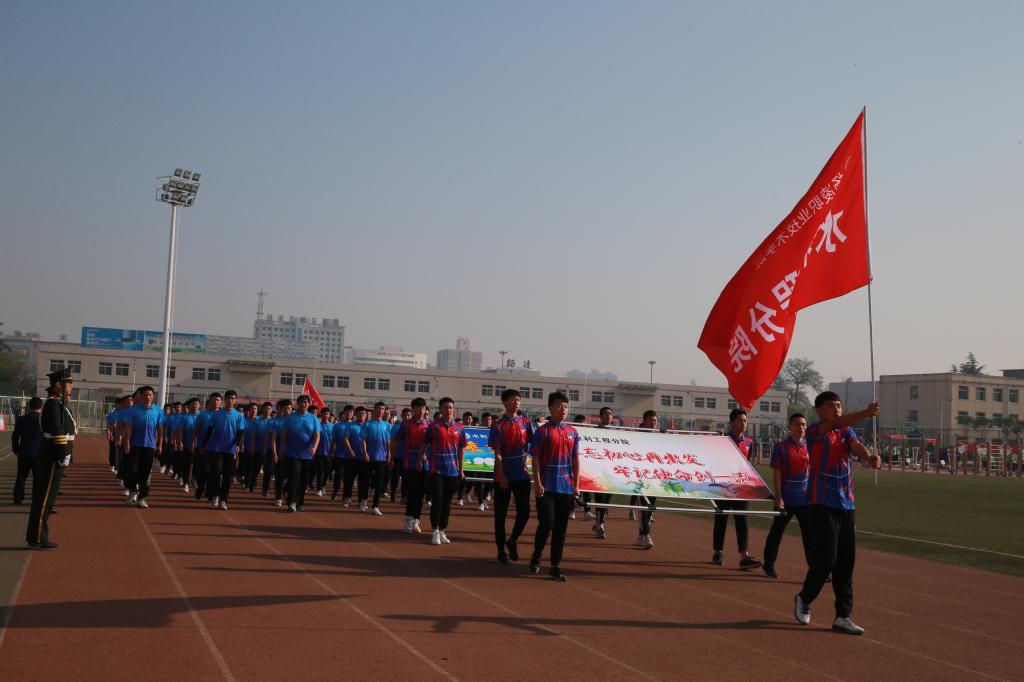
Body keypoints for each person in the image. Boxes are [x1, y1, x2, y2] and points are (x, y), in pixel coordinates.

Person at [794, 393, 881, 636]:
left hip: (847, 504)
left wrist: (870, 458)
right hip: (821, 502)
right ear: (819, 410)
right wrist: (866, 413)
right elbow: (836, 423)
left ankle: (843, 615)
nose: (837, 410)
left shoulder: (846, 432)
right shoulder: (815, 431)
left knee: (846, 561)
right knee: (827, 559)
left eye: (840, 406)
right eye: (831, 406)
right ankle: (804, 598)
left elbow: (856, 446)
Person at [529, 391, 580, 581]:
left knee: (561, 529)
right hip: (547, 487)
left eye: (566, 406)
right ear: (550, 408)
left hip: (565, 488)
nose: (563, 409)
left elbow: (575, 459)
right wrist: (537, 483)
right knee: (546, 524)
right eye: (559, 405)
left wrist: (576, 485)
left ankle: (555, 565)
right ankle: (537, 555)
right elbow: (535, 458)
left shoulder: (573, 432)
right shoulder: (542, 432)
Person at [27, 369, 76, 549]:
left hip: (54, 454)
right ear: (58, 385)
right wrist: (63, 453)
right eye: (68, 384)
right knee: (45, 498)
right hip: (52, 456)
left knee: (47, 497)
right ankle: (38, 537)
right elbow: (57, 430)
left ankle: (36, 536)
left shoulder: (58, 403)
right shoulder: (53, 404)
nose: (71, 387)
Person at [761, 413, 814, 578]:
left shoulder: (811, 446)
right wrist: (778, 496)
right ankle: (768, 564)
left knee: (810, 536)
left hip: (805, 500)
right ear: (790, 426)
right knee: (776, 533)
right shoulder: (781, 447)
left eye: (803, 424)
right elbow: (777, 473)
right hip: (786, 499)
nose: (801, 427)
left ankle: (816, 569)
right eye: (797, 424)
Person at [711, 408, 762, 569]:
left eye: (745, 421)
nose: (743, 423)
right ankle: (718, 552)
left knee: (742, 521)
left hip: (741, 488)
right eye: (740, 420)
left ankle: (744, 556)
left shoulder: (749, 442)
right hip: (724, 487)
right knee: (721, 519)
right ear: (732, 423)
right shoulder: (723, 440)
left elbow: (747, 464)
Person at [490, 389, 533, 564]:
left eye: (518, 400)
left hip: (522, 474)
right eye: (512, 400)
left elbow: (534, 445)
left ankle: (513, 539)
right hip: (504, 475)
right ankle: (501, 549)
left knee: (525, 512)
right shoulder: (498, 425)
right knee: (500, 514)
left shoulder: (526, 422)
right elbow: (498, 453)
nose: (516, 403)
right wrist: (502, 475)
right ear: (505, 402)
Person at [423, 397, 466, 544]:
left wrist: (461, 470)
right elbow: (425, 443)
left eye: (451, 407)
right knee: (438, 499)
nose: (449, 410)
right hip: (436, 469)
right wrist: (421, 459)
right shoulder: (434, 426)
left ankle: (442, 529)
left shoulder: (459, 428)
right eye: (446, 407)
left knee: (447, 502)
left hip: (452, 471)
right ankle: (435, 530)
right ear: (441, 409)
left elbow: (461, 450)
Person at [121, 386, 165, 508]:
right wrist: (127, 442)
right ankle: (133, 490)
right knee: (132, 470)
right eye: (145, 395)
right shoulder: (134, 410)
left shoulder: (158, 411)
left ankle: (142, 498)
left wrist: (160, 444)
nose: (147, 397)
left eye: (150, 395)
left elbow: (160, 429)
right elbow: (129, 427)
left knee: (145, 474)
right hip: (135, 445)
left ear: (153, 396)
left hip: (150, 446)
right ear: (141, 396)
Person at [204, 389, 246, 510]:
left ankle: (223, 499)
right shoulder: (217, 414)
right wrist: (203, 444)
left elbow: (242, 432)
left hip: (230, 449)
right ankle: (215, 495)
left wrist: (239, 444)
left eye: (232, 398)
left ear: (235, 400)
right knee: (216, 472)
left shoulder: (239, 416)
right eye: (228, 398)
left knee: (227, 476)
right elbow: (209, 430)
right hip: (216, 448)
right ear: (224, 400)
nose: (230, 400)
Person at [279, 394, 321, 512]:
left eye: (306, 402)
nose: (304, 404)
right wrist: (281, 449)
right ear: (297, 404)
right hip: (292, 453)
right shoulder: (290, 418)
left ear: (309, 404)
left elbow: (317, 435)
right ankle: (292, 502)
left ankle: (300, 502)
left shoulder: (313, 418)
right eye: (302, 402)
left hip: (307, 454)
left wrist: (314, 448)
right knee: (294, 477)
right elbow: (284, 434)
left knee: (304, 480)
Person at [395, 398, 430, 533]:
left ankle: (416, 519)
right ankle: (408, 519)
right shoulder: (406, 425)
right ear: (413, 409)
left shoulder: (429, 425)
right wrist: (392, 457)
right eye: (418, 407)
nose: (421, 410)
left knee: (421, 493)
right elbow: (396, 440)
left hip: (425, 464)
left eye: (423, 407)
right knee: (412, 492)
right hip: (410, 463)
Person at [634, 409, 663, 549]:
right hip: (640, 479)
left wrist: (665, 436)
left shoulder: (658, 437)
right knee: (644, 507)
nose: (653, 423)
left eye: (655, 421)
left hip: (654, 478)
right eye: (651, 420)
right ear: (644, 421)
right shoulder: (636, 436)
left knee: (650, 508)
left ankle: (641, 536)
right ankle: (646, 535)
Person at [362, 402, 392, 515]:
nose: (380, 410)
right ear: (374, 410)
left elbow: (388, 441)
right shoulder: (367, 424)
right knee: (366, 480)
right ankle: (364, 499)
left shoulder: (387, 425)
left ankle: (375, 506)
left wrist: (389, 454)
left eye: (382, 409)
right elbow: (363, 440)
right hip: (369, 457)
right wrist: (365, 453)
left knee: (379, 482)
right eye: (378, 408)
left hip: (381, 458)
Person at [12, 397, 43, 505]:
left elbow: (15, 436)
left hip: (24, 451)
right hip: (38, 452)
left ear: (30, 406)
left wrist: (15, 448)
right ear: (41, 407)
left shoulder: (21, 419)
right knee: (37, 478)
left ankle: (18, 498)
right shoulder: (42, 420)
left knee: (21, 475)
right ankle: (36, 498)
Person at [591, 406, 615, 539]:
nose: (609, 416)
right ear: (600, 417)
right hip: (598, 472)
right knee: (600, 499)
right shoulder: (594, 431)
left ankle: (598, 522)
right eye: (606, 414)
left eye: (610, 414)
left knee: (606, 501)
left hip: (611, 472)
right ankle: (600, 525)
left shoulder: (618, 432)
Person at [340, 406, 367, 507]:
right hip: (351, 457)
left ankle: (361, 501)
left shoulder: (368, 426)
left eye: (363, 413)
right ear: (356, 414)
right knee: (349, 479)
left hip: (364, 458)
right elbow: (345, 438)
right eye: (360, 413)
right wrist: (350, 450)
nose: (362, 415)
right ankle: (347, 498)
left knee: (363, 481)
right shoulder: (350, 425)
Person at [329, 405, 354, 501]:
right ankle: (336, 489)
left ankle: (345, 495)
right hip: (339, 454)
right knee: (338, 474)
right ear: (344, 413)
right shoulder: (338, 426)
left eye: (351, 412)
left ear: (353, 413)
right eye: (347, 411)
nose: (349, 413)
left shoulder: (355, 425)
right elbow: (333, 440)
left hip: (351, 456)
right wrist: (331, 450)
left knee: (348, 477)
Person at [175, 397, 200, 494]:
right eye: (193, 404)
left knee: (197, 464)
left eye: (197, 404)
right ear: (189, 406)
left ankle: (194, 479)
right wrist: (180, 442)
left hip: (199, 445)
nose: (195, 405)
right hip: (187, 444)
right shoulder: (184, 417)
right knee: (187, 464)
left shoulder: (201, 416)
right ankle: (186, 482)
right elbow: (180, 430)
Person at [314, 408, 334, 496]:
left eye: (327, 414)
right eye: (324, 414)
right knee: (320, 472)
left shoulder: (332, 426)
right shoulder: (317, 425)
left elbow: (334, 440)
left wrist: (333, 450)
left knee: (327, 472)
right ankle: (318, 489)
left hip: (329, 453)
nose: (325, 415)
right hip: (318, 452)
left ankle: (323, 486)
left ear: (329, 415)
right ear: (321, 415)